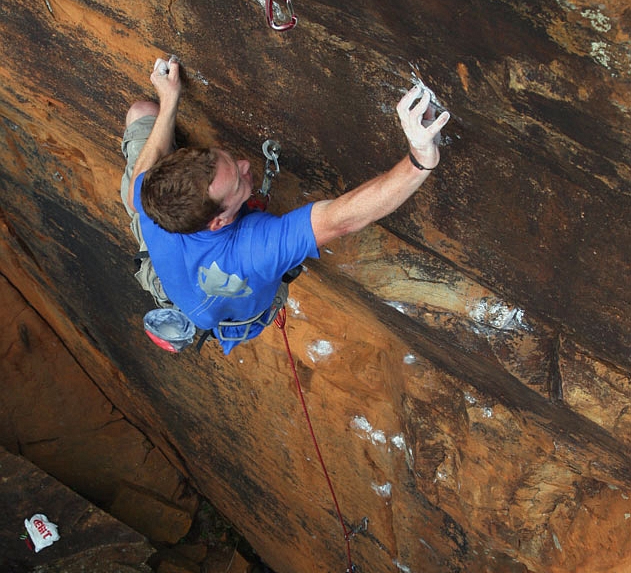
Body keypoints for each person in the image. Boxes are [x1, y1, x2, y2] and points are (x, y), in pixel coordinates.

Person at [120, 56, 450, 354]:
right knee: (146, 120)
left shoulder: (152, 196)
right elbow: (342, 219)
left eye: (228, 161)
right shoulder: (255, 249)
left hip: (172, 281)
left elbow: (141, 176)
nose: (247, 164)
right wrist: (419, 159)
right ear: (218, 222)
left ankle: (183, 312)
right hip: (239, 308)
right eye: (238, 181)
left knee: (142, 113)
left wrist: (170, 99)